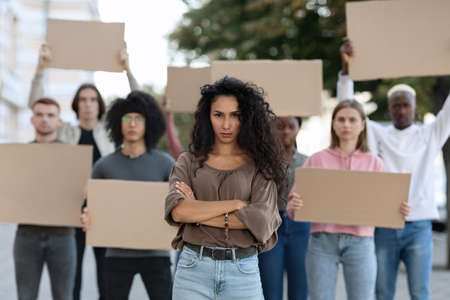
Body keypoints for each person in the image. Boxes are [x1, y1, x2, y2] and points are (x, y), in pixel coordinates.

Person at [339, 38, 450, 300]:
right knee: (382, 292)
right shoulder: (377, 134)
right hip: (384, 226)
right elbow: (348, 108)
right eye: (396, 105)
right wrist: (345, 71)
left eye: (406, 104)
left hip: (419, 226)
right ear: (389, 109)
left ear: (415, 107)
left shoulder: (430, 135)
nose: (401, 109)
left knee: (420, 292)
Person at [28, 43, 141, 300]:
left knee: (106, 274)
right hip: (72, 209)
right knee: (72, 275)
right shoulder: (66, 131)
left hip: (103, 210)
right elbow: (36, 105)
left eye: (92, 99)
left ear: (99, 103)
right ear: (76, 104)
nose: (88, 104)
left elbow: (140, 105)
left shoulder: (112, 132)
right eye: (83, 99)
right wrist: (41, 67)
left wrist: (127, 69)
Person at [164, 77, 285, 300]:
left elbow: (262, 222)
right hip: (192, 270)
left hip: (243, 272)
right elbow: (179, 211)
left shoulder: (260, 165)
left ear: (246, 118)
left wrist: (198, 214)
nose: (226, 125)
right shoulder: (188, 161)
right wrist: (236, 206)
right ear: (207, 117)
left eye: (235, 115)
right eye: (218, 115)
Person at [288, 100, 410, 300]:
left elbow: (384, 205)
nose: (346, 125)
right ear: (334, 124)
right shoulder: (316, 160)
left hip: (361, 241)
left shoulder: (375, 163)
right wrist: (296, 205)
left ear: (362, 124)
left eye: (352, 120)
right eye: (341, 119)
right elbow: (292, 205)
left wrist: (398, 209)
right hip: (322, 242)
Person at [80, 91, 174, 300]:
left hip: (156, 254)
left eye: (138, 119)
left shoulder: (165, 163)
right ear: (118, 123)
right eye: (127, 118)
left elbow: (177, 206)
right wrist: (88, 219)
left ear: (148, 123)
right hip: (116, 256)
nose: (132, 124)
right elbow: (93, 209)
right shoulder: (104, 166)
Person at [14, 98, 76, 300]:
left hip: (63, 236)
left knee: (63, 296)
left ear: (59, 121)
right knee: (25, 296)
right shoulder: (19, 156)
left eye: (50, 115)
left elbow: (80, 193)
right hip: (26, 235)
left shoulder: (72, 157)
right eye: (40, 114)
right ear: (32, 119)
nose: (44, 119)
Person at [258, 116, 310, 300]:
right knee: (270, 290)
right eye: (280, 126)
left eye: (291, 126)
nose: (286, 131)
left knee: (300, 289)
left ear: (298, 128)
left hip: (301, 226)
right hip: (272, 226)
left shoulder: (307, 162)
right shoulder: (262, 163)